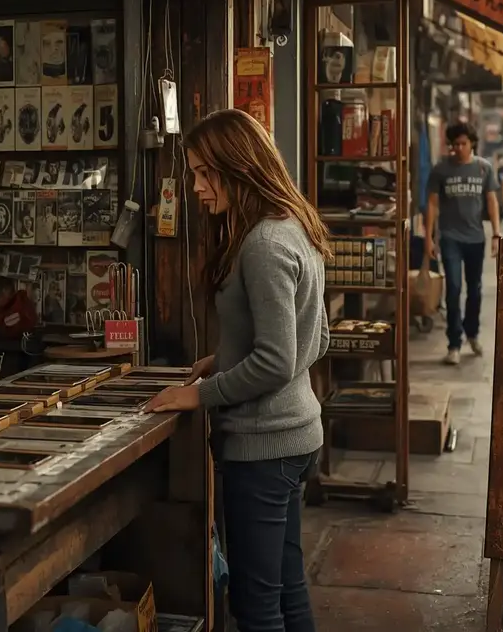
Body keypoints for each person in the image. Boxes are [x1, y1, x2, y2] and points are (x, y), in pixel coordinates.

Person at [144, 108, 327, 632]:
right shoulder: (295, 226)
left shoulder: (264, 244)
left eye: (205, 173)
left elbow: (276, 360)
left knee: (255, 607)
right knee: (287, 591)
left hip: (264, 446)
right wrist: (223, 361)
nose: (198, 187)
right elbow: (315, 339)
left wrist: (198, 395)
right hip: (295, 437)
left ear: (238, 167)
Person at [424, 122, 502, 366]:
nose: (458, 148)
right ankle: (454, 343)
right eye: (454, 144)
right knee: (454, 288)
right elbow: (433, 204)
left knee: (475, 289)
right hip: (450, 238)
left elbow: (491, 201)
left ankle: (472, 333)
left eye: (463, 144)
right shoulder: (441, 170)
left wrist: (497, 233)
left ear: (472, 144)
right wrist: (428, 236)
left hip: (476, 238)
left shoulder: (483, 168)